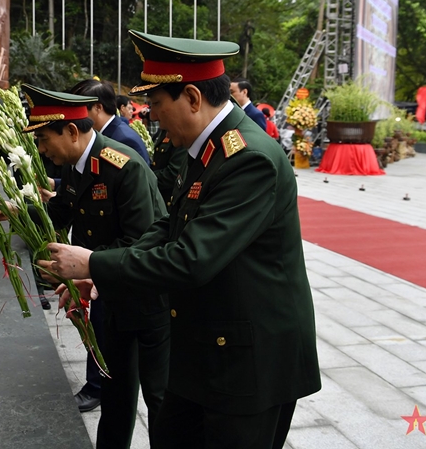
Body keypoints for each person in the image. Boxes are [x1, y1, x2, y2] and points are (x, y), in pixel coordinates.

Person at [41, 30, 322, 449]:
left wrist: (94, 263)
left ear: (192, 97)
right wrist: (107, 275)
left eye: (155, 104)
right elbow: (167, 227)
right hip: (203, 346)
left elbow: (191, 258)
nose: (150, 116)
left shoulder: (249, 159)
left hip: (249, 362)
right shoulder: (205, 151)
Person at [9, 84, 170, 447]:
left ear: (71, 132)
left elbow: (144, 243)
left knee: (160, 398)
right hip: (109, 296)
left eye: (45, 139)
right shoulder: (80, 166)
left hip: (148, 301)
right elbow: (63, 208)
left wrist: (90, 266)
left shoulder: (123, 166)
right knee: (114, 392)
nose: (41, 149)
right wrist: (17, 211)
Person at [71, 79, 151, 164]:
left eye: (80, 111)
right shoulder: (112, 133)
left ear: (98, 108)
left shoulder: (123, 140)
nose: (76, 117)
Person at [150, 129, 188, 209]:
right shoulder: (164, 130)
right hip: (159, 196)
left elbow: (173, 173)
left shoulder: (180, 132)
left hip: (168, 200)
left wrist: (146, 178)